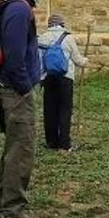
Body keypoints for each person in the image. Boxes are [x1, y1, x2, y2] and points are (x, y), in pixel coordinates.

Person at [0, 0, 46, 218]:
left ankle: (4, 205)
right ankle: (12, 212)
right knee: (21, 150)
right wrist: (25, 87)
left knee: (15, 148)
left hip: (15, 90)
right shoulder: (19, 9)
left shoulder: (18, 6)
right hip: (16, 92)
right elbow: (14, 57)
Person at [38, 13, 89, 151]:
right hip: (65, 78)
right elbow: (77, 60)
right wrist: (85, 61)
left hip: (48, 79)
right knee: (65, 110)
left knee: (49, 110)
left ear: (49, 24)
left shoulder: (42, 38)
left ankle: (51, 142)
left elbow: (39, 62)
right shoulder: (68, 38)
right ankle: (64, 144)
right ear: (62, 24)